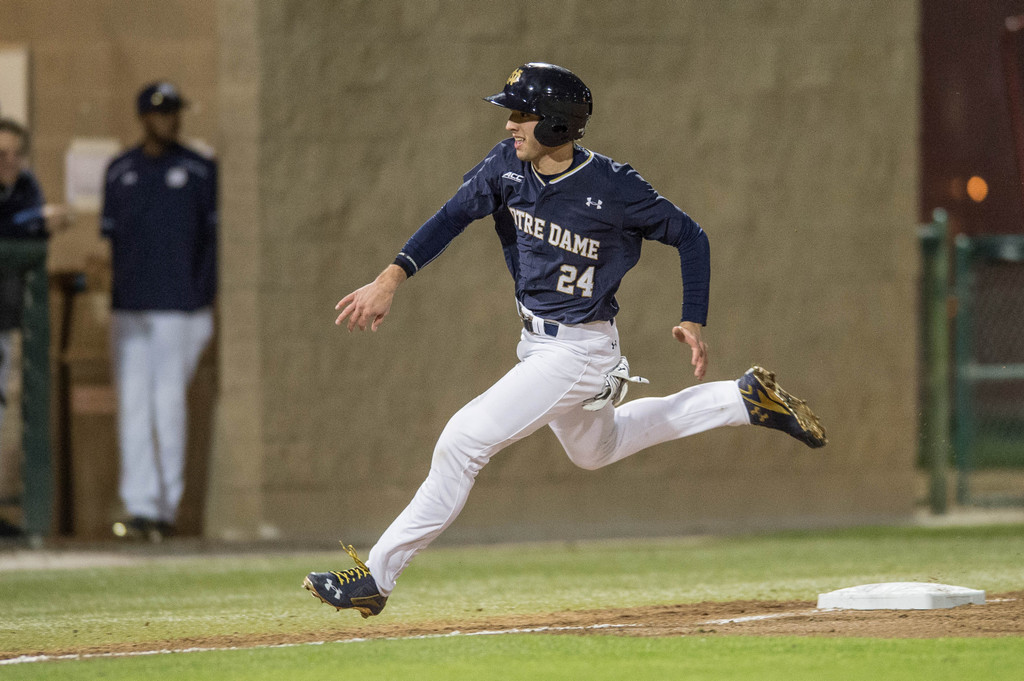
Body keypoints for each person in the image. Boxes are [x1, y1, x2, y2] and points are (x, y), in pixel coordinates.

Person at [303, 63, 827, 618]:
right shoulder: (506, 167)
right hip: (542, 343)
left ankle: (375, 578)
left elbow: (691, 237)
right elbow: (451, 217)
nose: (510, 124)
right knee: (595, 451)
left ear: (555, 124)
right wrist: (390, 278)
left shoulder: (616, 187)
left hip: (578, 349)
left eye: (521, 113)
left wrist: (692, 316)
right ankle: (742, 400)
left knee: (462, 442)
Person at [101, 82, 217, 542]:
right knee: (133, 404)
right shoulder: (119, 171)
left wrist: (204, 297)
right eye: (161, 112)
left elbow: (212, 245)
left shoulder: (200, 170)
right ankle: (139, 504)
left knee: (168, 404)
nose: (169, 120)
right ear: (143, 117)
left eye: (174, 112)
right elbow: (111, 242)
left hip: (180, 306)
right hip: (130, 304)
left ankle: (166, 506)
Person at [0, 118, 52, 538]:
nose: (10, 162)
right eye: (2, 155)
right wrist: (33, 221)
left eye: (16, 154)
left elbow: (36, 225)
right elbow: (23, 224)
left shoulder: (26, 186)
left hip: (6, 320)